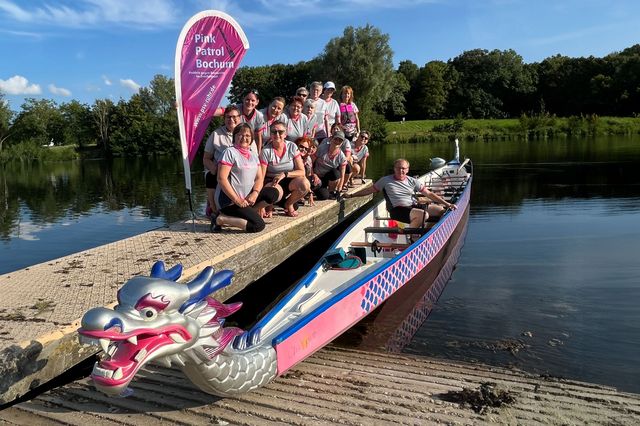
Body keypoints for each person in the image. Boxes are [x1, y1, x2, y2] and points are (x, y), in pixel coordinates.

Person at [344, 158, 457, 229]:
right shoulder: (385, 180)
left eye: (403, 168)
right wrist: (352, 195)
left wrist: (447, 204)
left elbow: (429, 194)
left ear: (407, 170)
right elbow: (369, 190)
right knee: (424, 215)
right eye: (398, 168)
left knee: (441, 211)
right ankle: (411, 239)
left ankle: (428, 230)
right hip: (397, 210)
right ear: (394, 169)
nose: (401, 171)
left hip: (413, 206)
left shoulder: (412, 180)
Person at [213, 123, 279, 233]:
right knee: (258, 225)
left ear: (252, 138)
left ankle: (247, 212)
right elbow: (221, 179)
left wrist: (255, 193)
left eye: (248, 135)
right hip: (230, 201)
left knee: (273, 193)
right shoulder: (229, 152)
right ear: (234, 137)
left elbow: (259, 178)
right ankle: (220, 219)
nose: (244, 138)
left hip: (247, 199)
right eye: (240, 135)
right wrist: (237, 200)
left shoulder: (253, 155)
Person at [260, 121, 310, 217]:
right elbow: (261, 177)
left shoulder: (291, 146)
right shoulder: (266, 151)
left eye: (280, 132)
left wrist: (285, 174)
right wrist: (261, 205)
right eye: (274, 132)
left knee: (305, 184)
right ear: (270, 134)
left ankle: (288, 204)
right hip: (273, 182)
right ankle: (270, 205)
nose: (277, 134)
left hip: (289, 180)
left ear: (286, 134)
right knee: (272, 192)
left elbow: (302, 171)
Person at [202, 105, 242, 217]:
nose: (231, 120)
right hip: (221, 170)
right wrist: (213, 168)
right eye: (228, 117)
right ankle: (213, 208)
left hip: (240, 171)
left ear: (240, 118)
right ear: (224, 119)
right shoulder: (216, 134)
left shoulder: (246, 133)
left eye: (234, 117)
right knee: (210, 175)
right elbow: (206, 158)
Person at [313, 130, 348, 198]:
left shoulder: (342, 156)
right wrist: (313, 174)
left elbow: (342, 174)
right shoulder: (321, 148)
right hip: (317, 175)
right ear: (331, 139)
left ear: (342, 142)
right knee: (322, 196)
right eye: (336, 139)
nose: (337, 141)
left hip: (328, 176)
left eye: (340, 140)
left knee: (336, 173)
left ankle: (331, 191)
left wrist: (339, 189)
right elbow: (311, 162)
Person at [296, 136, 321, 205]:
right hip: (294, 180)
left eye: (314, 147)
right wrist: (310, 192)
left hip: (302, 179)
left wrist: (314, 175)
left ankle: (303, 194)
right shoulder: (297, 157)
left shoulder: (308, 158)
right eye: (310, 146)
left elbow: (309, 174)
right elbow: (301, 175)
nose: (311, 149)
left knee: (317, 183)